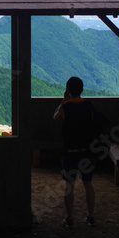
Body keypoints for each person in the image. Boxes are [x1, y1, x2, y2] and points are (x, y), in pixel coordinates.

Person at [53, 76, 96, 227]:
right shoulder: (89, 106)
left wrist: (63, 101)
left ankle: (70, 218)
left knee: (69, 185)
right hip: (87, 151)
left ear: (68, 91)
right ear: (82, 90)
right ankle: (90, 216)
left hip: (70, 150)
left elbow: (56, 117)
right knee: (88, 183)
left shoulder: (66, 107)